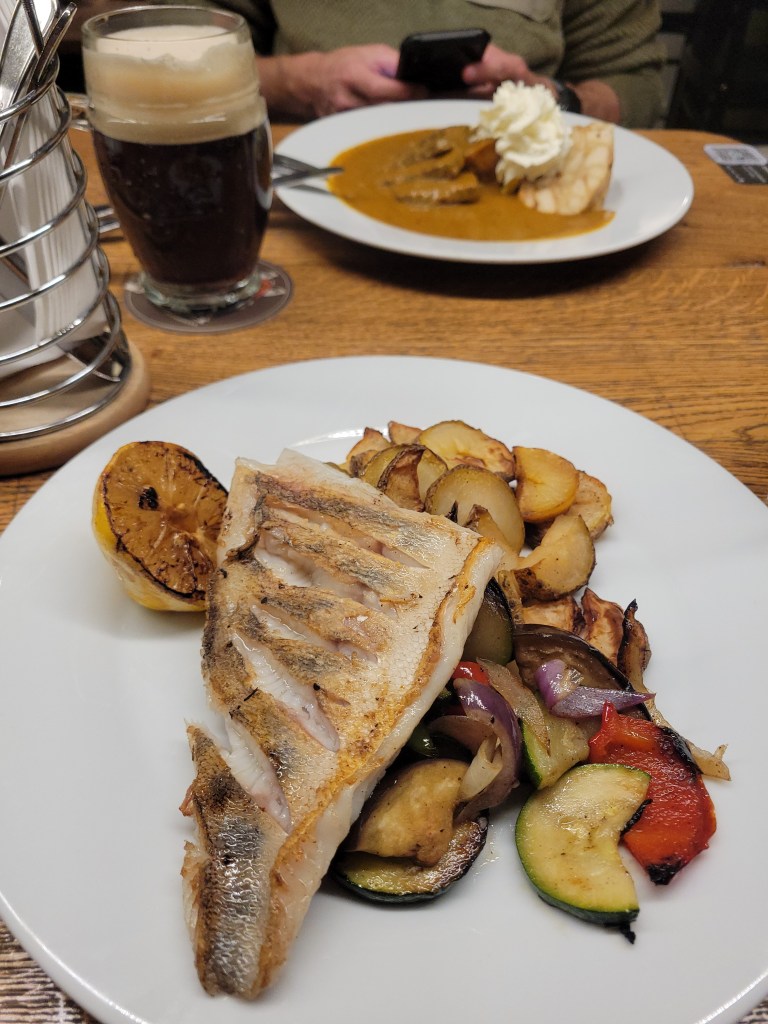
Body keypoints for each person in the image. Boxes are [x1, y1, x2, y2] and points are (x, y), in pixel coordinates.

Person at [212, 0, 667, 128]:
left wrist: (550, 100)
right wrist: (297, 82)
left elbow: (634, 86)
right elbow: (170, 58)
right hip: (295, 193)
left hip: (522, 202)